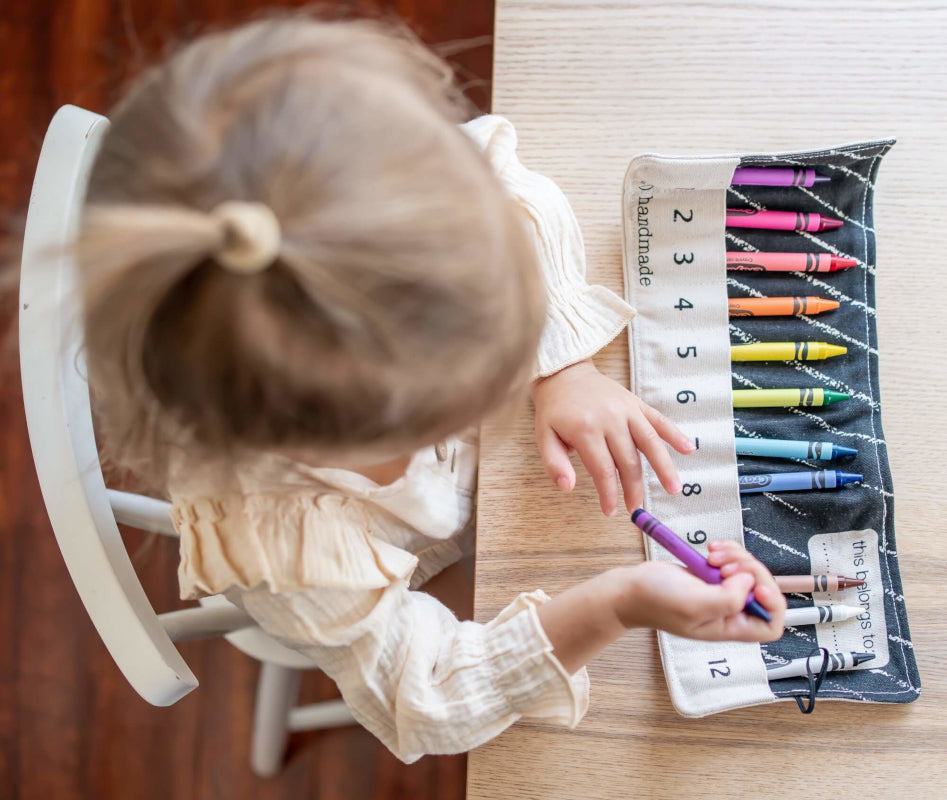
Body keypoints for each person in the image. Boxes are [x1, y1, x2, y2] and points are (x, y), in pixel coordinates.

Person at [75, 14, 785, 763]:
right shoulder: (289, 549)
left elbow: (506, 183)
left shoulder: (373, 175)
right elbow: (430, 700)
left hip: (485, 496)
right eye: (480, 379)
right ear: (386, 426)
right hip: (395, 585)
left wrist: (563, 364)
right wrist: (616, 601)